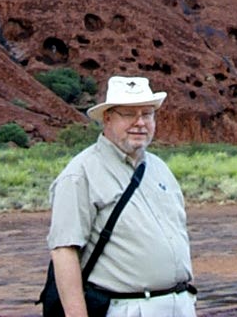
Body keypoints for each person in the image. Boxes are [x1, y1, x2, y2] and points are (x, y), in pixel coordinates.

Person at [46, 76, 196, 317]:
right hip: (127, 309)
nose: (140, 123)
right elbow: (64, 252)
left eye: (147, 114)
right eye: (128, 114)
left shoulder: (160, 169)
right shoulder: (80, 173)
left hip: (179, 305)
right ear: (107, 118)